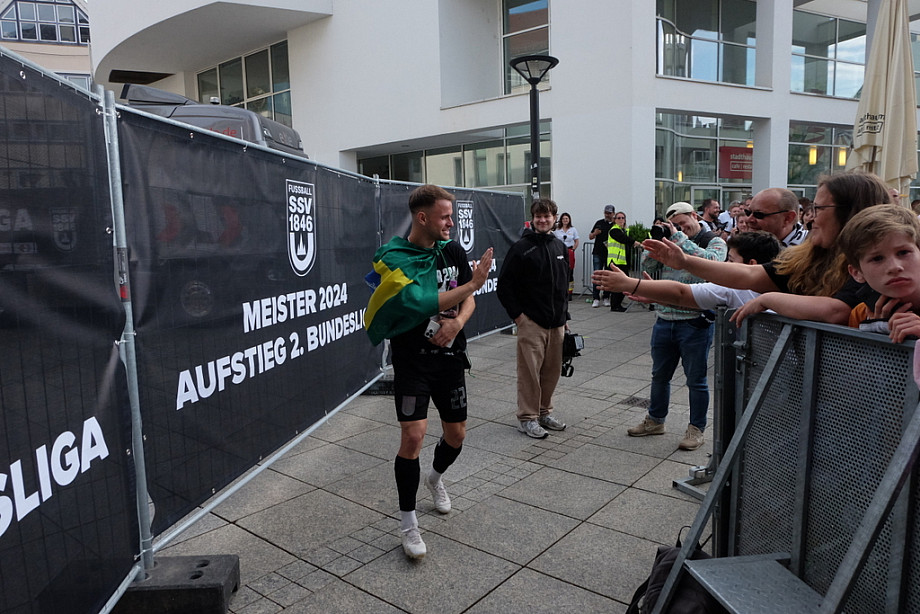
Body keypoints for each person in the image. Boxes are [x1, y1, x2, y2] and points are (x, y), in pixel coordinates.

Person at [365, 184, 493, 560]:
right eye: (445, 217)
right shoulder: (394, 258)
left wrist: (457, 324)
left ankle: (435, 478)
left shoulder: (451, 250)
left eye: (451, 216)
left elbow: (468, 299)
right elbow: (418, 301)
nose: (451, 223)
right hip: (412, 360)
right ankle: (408, 523)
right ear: (422, 218)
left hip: (450, 359)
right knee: (413, 437)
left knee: (456, 435)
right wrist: (473, 283)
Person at [642, 171, 892, 326]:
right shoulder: (811, 255)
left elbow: (837, 311)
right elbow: (750, 275)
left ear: (851, 213)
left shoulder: (881, 263)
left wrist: (769, 299)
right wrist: (684, 261)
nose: (811, 218)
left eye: (818, 209)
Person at [625, 202, 727, 451]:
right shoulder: (672, 241)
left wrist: (680, 241)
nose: (680, 229)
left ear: (694, 215)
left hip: (695, 322)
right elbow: (648, 268)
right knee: (659, 376)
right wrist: (653, 249)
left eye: (683, 223)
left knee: (696, 380)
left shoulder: (714, 241)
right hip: (664, 319)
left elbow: (714, 263)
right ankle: (655, 420)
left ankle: (696, 429)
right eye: (675, 226)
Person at [498, 198, 570, 439]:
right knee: (529, 373)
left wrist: (565, 316)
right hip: (531, 323)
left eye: (547, 216)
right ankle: (527, 417)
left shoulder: (559, 247)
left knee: (552, 372)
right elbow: (504, 286)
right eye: (538, 216)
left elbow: (562, 285)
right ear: (533, 219)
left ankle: (543, 412)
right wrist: (519, 317)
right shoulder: (521, 248)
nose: (542, 220)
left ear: (554, 219)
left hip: (557, 323)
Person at [592, 230, 781, 311]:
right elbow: (686, 300)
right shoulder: (787, 284)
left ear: (751, 264)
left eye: (731, 260)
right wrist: (655, 295)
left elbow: (681, 293)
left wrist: (629, 283)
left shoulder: (734, 289)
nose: (726, 264)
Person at [838, 205, 920, 343]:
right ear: (857, 273)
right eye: (877, 258)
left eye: (903, 252)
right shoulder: (861, 315)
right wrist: (876, 338)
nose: (894, 267)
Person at [743, 188, 808, 247]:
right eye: (748, 212)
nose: (749, 219)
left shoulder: (809, 249)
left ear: (788, 218)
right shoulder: (743, 245)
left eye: (759, 215)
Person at [606, 211, 635, 311]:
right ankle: (615, 305)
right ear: (614, 220)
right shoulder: (614, 230)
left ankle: (617, 304)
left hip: (622, 261)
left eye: (623, 218)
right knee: (618, 284)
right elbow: (623, 239)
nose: (621, 220)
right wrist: (635, 242)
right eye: (618, 218)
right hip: (615, 261)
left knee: (623, 283)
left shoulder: (625, 230)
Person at [589, 205, 616, 307]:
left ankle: (606, 297)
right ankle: (596, 298)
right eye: (606, 213)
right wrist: (595, 233)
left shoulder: (615, 224)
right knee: (597, 275)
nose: (607, 215)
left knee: (607, 276)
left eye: (609, 213)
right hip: (598, 253)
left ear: (613, 213)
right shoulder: (599, 223)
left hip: (610, 254)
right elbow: (590, 236)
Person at [554, 212, 580, 300]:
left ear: (569, 220)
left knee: (570, 272)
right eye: (563, 219)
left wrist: (573, 249)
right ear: (561, 220)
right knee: (560, 271)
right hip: (560, 251)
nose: (565, 220)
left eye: (567, 219)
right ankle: (561, 291)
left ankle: (570, 292)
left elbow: (577, 241)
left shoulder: (573, 229)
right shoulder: (557, 230)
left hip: (569, 251)